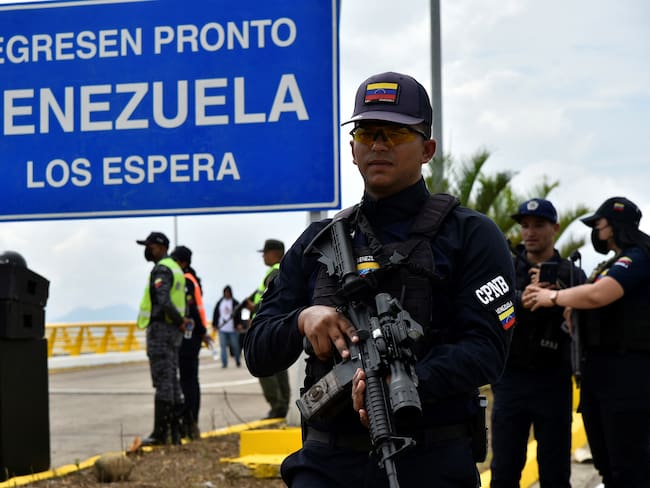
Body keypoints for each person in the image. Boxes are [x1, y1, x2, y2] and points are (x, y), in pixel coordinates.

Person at [244, 72, 515, 487]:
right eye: (367, 132)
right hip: (327, 462)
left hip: (432, 458)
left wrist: (405, 383)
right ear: (352, 149)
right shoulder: (319, 242)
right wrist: (303, 319)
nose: (379, 144)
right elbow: (258, 351)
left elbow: (487, 350)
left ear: (427, 149)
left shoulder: (471, 235)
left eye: (396, 133)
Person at [524, 196, 650, 488]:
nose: (596, 231)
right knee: (608, 466)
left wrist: (552, 297)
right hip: (600, 376)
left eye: (599, 225)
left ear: (616, 226)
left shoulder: (638, 257)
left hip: (627, 377)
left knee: (629, 468)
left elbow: (598, 295)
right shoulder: (610, 263)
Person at [490, 198, 586, 488]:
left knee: (556, 472)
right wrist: (522, 297)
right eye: (525, 226)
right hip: (511, 380)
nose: (530, 232)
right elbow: (489, 308)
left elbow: (585, 321)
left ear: (555, 228)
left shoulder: (571, 273)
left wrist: (557, 296)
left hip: (553, 381)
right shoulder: (505, 270)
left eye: (539, 225)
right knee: (504, 470)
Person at [136, 232, 191, 446]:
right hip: (173, 331)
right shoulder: (176, 268)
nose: (147, 250)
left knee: (163, 379)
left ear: (160, 247)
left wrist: (178, 321)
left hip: (162, 329)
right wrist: (181, 321)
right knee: (171, 378)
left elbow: (164, 300)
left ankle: (161, 432)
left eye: (149, 246)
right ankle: (176, 432)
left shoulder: (162, 269)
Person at [240, 239, 291, 419]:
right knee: (279, 367)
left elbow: (270, 300)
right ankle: (282, 404)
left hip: (267, 327)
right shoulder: (283, 270)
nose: (263, 256)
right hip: (277, 325)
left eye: (265, 252)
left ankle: (277, 406)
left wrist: (253, 308)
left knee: (264, 366)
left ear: (275, 253)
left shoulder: (274, 272)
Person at [170, 245, 211, 440]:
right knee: (190, 380)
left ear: (183, 262)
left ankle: (190, 420)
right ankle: (190, 420)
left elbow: (192, 309)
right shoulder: (192, 278)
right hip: (194, 335)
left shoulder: (185, 281)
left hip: (189, 336)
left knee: (187, 381)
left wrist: (202, 332)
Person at [213, 285, 242, 368]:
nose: (227, 294)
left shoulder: (235, 303)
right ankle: (224, 363)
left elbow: (239, 314)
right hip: (222, 329)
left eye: (228, 292)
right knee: (223, 347)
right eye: (225, 292)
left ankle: (237, 361)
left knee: (235, 346)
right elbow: (216, 314)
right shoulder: (220, 303)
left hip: (233, 329)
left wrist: (239, 324)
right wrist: (215, 325)